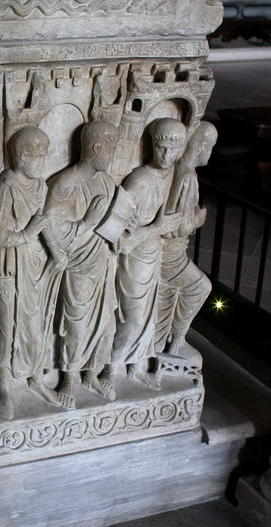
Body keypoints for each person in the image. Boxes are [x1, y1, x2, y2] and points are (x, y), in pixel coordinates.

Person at [0, 125, 66, 419]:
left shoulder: (40, 186)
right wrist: (26, 234)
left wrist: (56, 251)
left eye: (44, 156)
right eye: (37, 157)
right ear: (21, 157)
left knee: (35, 326)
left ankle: (36, 378)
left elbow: (42, 221)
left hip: (34, 267)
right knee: (6, 330)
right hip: (8, 268)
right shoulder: (5, 186)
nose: (42, 162)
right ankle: (4, 388)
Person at [44, 120, 124, 409]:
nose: (112, 155)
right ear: (96, 148)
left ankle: (91, 373)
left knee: (107, 324)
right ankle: (68, 379)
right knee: (75, 325)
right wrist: (88, 222)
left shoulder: (107, 181)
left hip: (103, 262)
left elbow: (112, 219)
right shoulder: (65, 183)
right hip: (78, 265)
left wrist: (118, 234)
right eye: (110, 149)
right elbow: (51, 230)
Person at [109, 117, 187, 390]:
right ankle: (109, 370)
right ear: (152, 146)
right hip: (132, 260)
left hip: (153, 255)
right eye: (161, 148)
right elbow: (119, 237)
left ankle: (135, 366)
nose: (166, 156)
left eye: (172, 150)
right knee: (132, 318)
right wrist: (156, 227)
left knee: (147, 317)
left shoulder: (175, 177)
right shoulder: (139, 180)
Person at [154, 122, 215, 360]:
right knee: (200, 287)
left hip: (171, 249)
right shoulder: (187, 176)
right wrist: (199, 218)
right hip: (171, 252)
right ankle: (176, 341)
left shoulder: (180, 169)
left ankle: (173, 339)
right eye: (211, 146)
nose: (210, 152)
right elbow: (179, 225)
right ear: (202, 145)